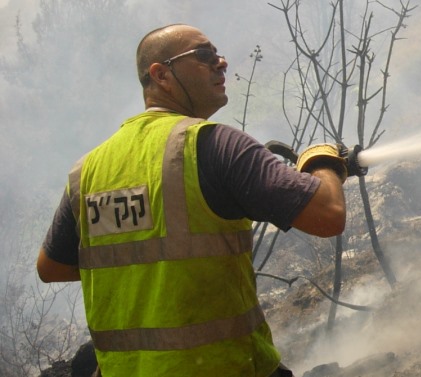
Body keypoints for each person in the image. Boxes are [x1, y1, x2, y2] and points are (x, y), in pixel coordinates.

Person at [36, 24, 356, 377]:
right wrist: (322, 162)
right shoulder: (216, 146)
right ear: (161, 74)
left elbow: (51, 267)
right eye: (204, 55)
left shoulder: (88, 170)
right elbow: (328, 215)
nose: (222, 62)